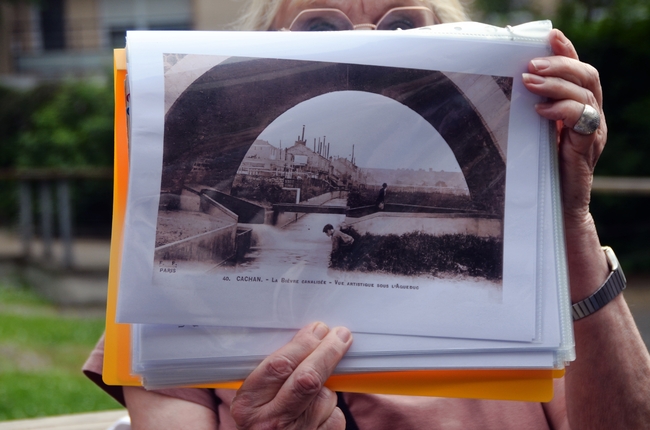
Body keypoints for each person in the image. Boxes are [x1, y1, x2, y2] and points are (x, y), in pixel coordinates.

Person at [83, 0, 650, 428]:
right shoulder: (165, 309)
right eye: (319, 26)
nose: (361, 40)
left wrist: (568, 219)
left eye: (403, 23)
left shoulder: (536, 286)